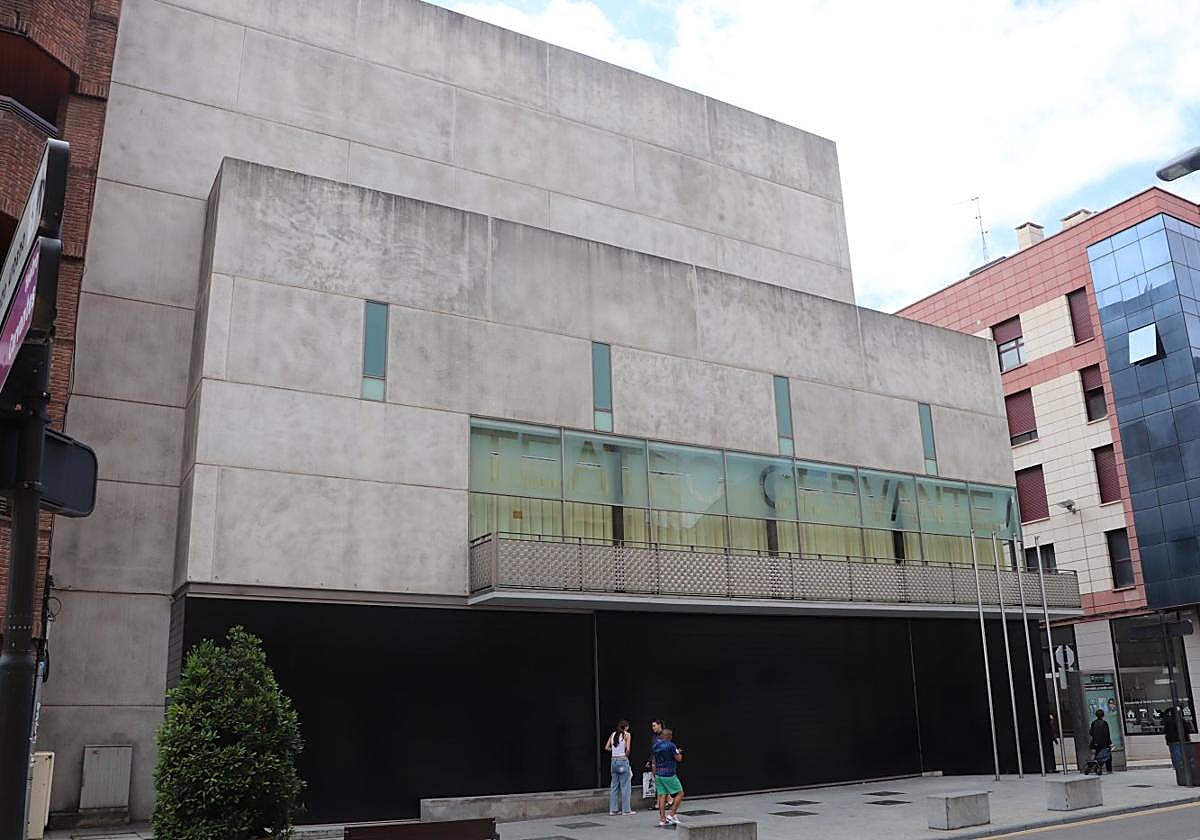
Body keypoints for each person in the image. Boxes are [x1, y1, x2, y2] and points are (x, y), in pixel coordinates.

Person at [652, 727, 684, 827]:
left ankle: (662, 819)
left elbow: (654, 760)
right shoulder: (671, 745)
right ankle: (672, 814)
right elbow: (678, 758)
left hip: (658, 774)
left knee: (662, 796)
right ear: (669, 736)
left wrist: (654, 772)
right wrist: (678, 752)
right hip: (669, 774)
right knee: (680, 793)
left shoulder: (655, 745)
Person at [605, 720, 634, 816]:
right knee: (625, 785)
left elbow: (606, 747)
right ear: (625, 727)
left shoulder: (613, 734)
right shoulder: (627, 735)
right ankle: (626, 810)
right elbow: (628, 749)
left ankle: (613, 810)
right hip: (622, 760)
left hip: (613, 761)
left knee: (614, 786)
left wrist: (614, 750)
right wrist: (625, 756)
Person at [1089, 709, 1112, 774]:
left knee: (1097, 756)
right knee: (1107, 756)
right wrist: (1109, 743)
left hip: (1096, 743)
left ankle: (1097, 769)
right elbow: (1107, 734)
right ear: (1103, 715)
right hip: (1104, 743)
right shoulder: (1104, 723)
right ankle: (1109, 770)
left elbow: (1090, 732)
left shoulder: (1093, 723)